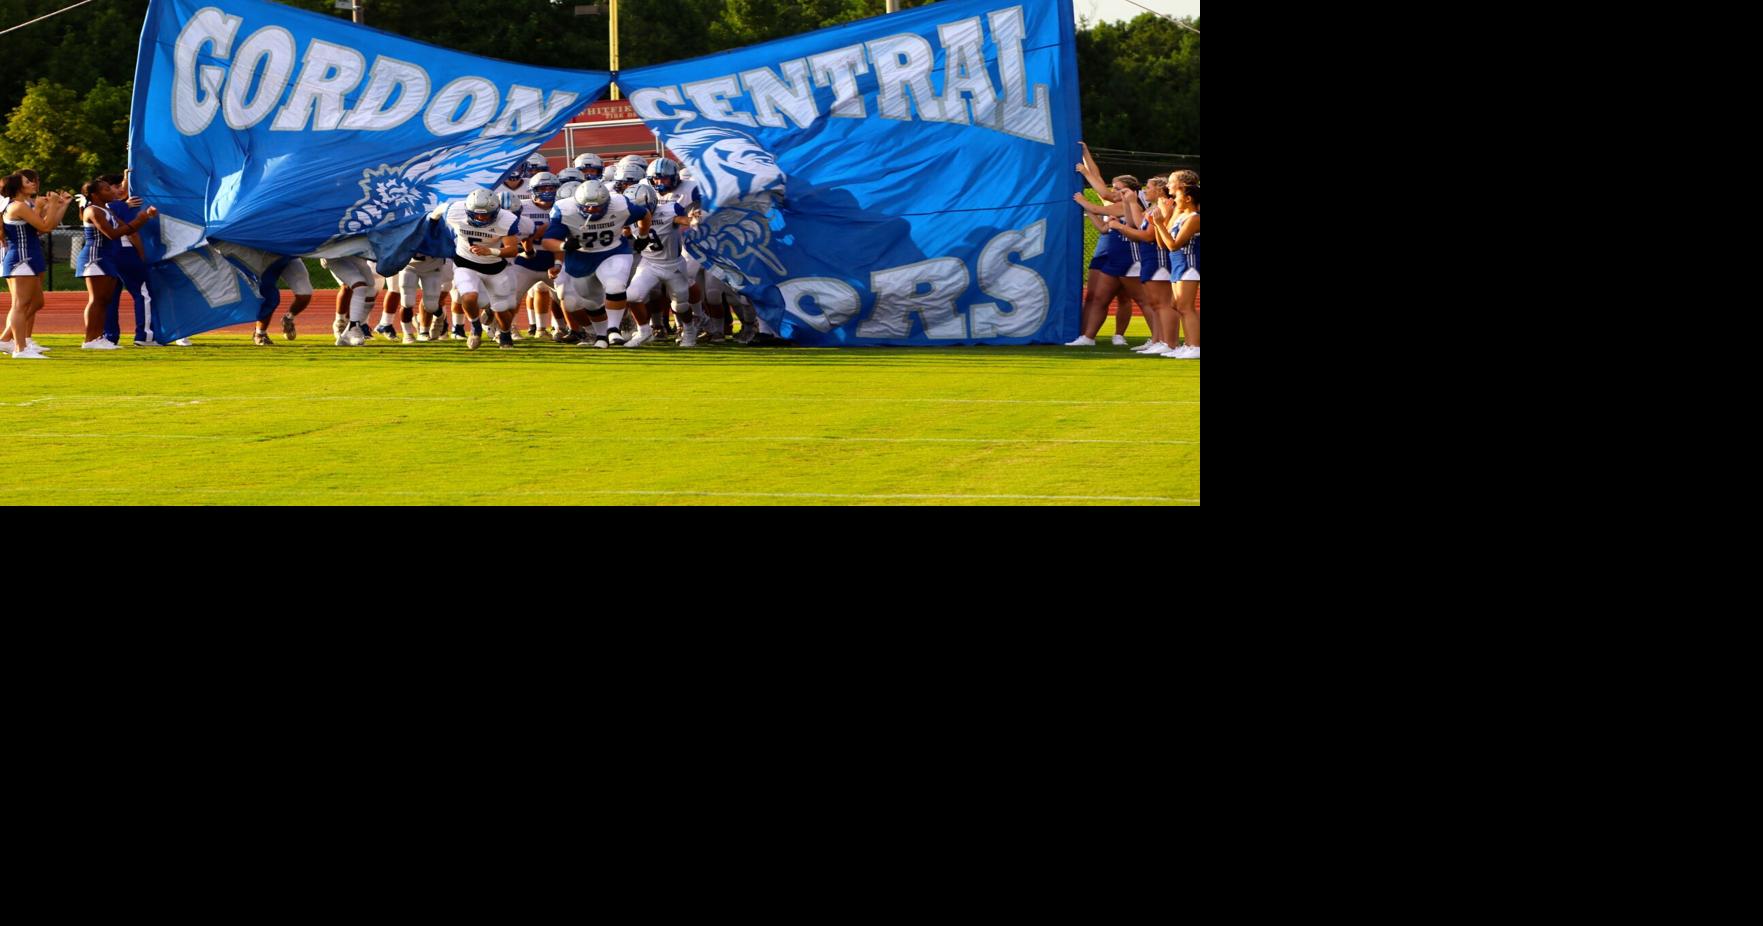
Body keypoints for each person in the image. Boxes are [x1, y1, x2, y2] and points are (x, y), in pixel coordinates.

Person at [74, 175, 157, 350]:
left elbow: (126, 228)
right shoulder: (93, 211)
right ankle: (90, 339)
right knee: (96, 300)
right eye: (106, 189)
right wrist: (140, 219)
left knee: (105, 300)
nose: (112, 191)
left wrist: (145, 217)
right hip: (95, 257)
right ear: (95, 195)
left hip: (107, 257)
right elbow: (112, 234)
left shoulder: (106, 210)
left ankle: (98, 338)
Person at [2, 169, 74, 359]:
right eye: (28, 181)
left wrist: (60, 206)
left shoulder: (25, 205)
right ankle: (20, 348)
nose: (34, 184)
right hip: (20, 258)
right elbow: (46, 226)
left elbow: (43, 229)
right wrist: (50, 204)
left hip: (29, 257)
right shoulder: (18, 206)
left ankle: (8, 340)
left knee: (35, 302)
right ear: (18, 185)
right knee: (20, 304)